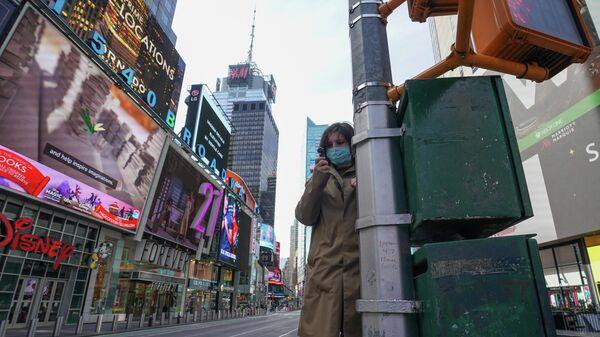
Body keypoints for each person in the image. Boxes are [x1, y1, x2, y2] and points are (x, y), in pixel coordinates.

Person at [295, 122, 361, 337]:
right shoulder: (318, 180)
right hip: (325, 272)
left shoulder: (367, 171)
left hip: (360, 270)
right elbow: (304, 216)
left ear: (352, 144)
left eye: (340, 143)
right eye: (330, 145)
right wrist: (317, 181)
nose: (335, 148)